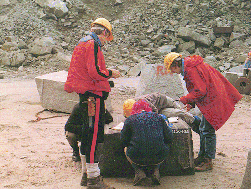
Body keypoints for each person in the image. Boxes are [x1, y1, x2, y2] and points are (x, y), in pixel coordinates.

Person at [64, 17, 120, 189]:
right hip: (93, 96)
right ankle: (94, 178)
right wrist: (111, 73)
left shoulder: (82, 43)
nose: (105, 41)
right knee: (94, 135)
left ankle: (85, 174)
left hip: (84, 94)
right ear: (104, 32)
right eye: (106, 37)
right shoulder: (93, 44)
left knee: (87, 134)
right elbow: (95, 72)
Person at [164, 52, 242, 172]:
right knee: (202, 127)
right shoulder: (191, 65)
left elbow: (200, 90)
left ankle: (208, 161)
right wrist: (192, 103)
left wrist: (185, 99)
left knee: (207, 130)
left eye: (172, 69)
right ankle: (202, 156)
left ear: (175, 65)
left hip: (213, 99)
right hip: (213, 95)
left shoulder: (190, 70)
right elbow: (201, 86)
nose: (173, 72)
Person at [120, 99, 173, 186]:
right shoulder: (159, 117)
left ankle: (138, 171)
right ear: (148, 108)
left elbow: (123, 141)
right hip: (159, 155)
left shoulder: (129, 119)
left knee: (126, 149)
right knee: (163, 146)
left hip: (136, 156)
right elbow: (169, 138)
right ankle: (156, 169)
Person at [123, 92, 201, 134]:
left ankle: (196, 121)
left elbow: (154, 112)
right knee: (178, 114)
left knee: (181, 112)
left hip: (164, 101)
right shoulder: (129, 107)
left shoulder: (144, 103)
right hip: (160, 110)